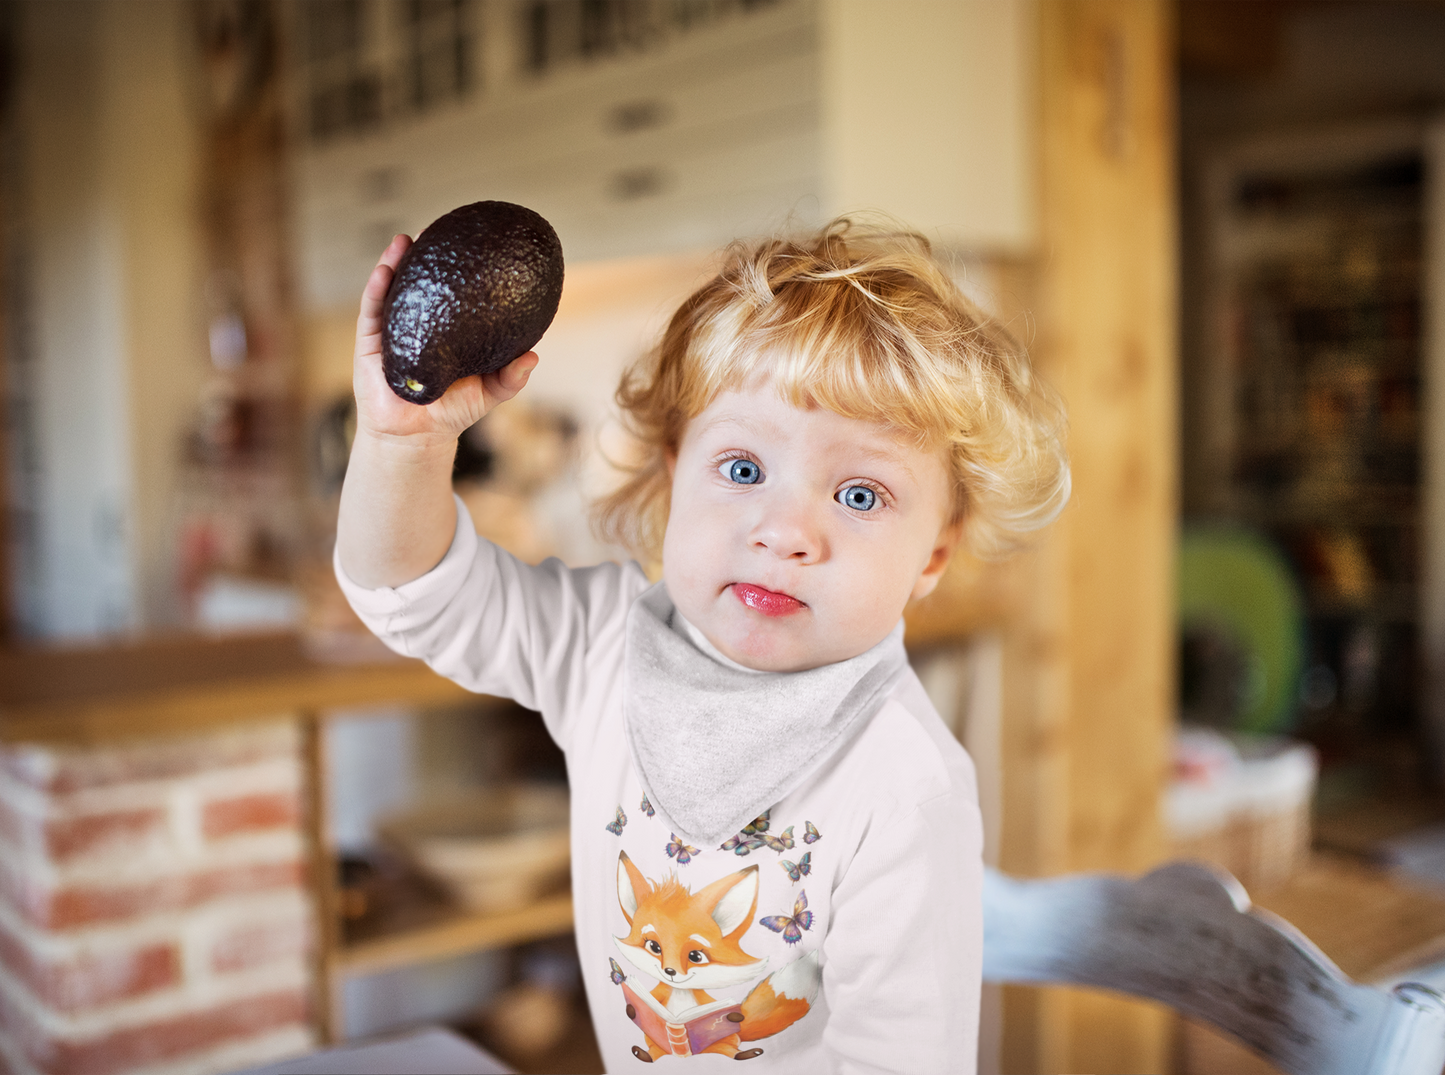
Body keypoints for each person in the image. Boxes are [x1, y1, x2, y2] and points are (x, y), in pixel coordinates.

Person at [335, 218, 1070, 1072]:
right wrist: (403, 442)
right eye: (745, 469)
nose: (785, 531)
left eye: (861, 494)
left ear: (933, 555)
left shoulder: (903, 785)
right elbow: (412, 596)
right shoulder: (600, 646)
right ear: (671, 471)